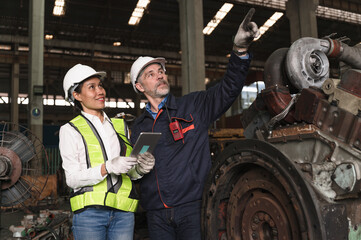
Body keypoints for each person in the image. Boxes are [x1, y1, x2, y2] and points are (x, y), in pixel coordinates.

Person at [129, 8, 260, 240]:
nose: (160, 75)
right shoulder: (138, 127)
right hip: (157, 215)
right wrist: (137, 168)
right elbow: (133, 173)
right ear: (140, 87)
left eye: (161, 71)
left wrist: (239, 50)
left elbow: (228, 88)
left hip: (193, 208)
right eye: (151, 74)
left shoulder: (194, 106)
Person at [59, 63, 156, 240]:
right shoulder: (70, 130)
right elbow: (72, 179)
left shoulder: (120, 126)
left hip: (123, 213)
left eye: (100, 85)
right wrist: (106, 167)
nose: (100, 91)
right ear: (76, 95)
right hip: (90, 215)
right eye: (92, 87)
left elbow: (129, 173)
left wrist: (141, 168)